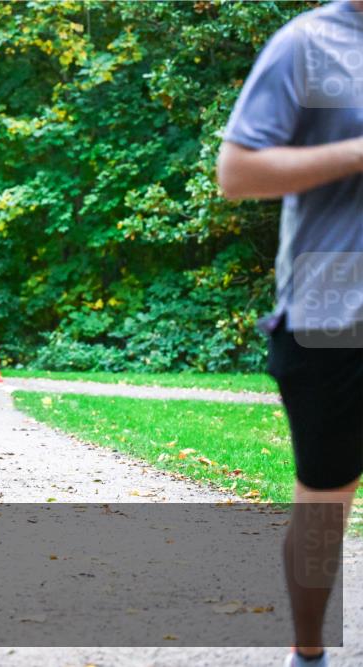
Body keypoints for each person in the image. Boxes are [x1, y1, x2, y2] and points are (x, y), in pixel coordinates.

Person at [217, 2, 362, 666]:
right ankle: (308, 652)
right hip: (334, 320)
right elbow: (236, 172)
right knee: (325, 508)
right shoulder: (307, 44)